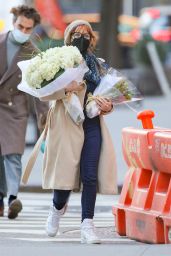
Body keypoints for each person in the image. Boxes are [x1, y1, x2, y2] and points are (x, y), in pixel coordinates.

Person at [22, 19, 117, 244]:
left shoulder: (99, 65)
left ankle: (87, 225)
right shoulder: (57, 60)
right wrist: (65, 87)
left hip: (92, 124)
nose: (81, 37)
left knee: (90, 175)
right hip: (66, 124)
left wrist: (108, 106)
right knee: (64, 177)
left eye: (85, 33)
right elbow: (43, 93)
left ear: (91, 38)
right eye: (76, 33)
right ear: (68, 36)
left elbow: (108, 95)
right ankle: (56, 208)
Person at [0, 5, 49, 219]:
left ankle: (12, 198)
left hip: (15, 109)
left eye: (29, 29)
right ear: (14, 22)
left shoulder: (33, 52)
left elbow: (40, 90)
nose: (24, 31)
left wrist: (44, 119)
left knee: (13, 154)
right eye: (21, 26)